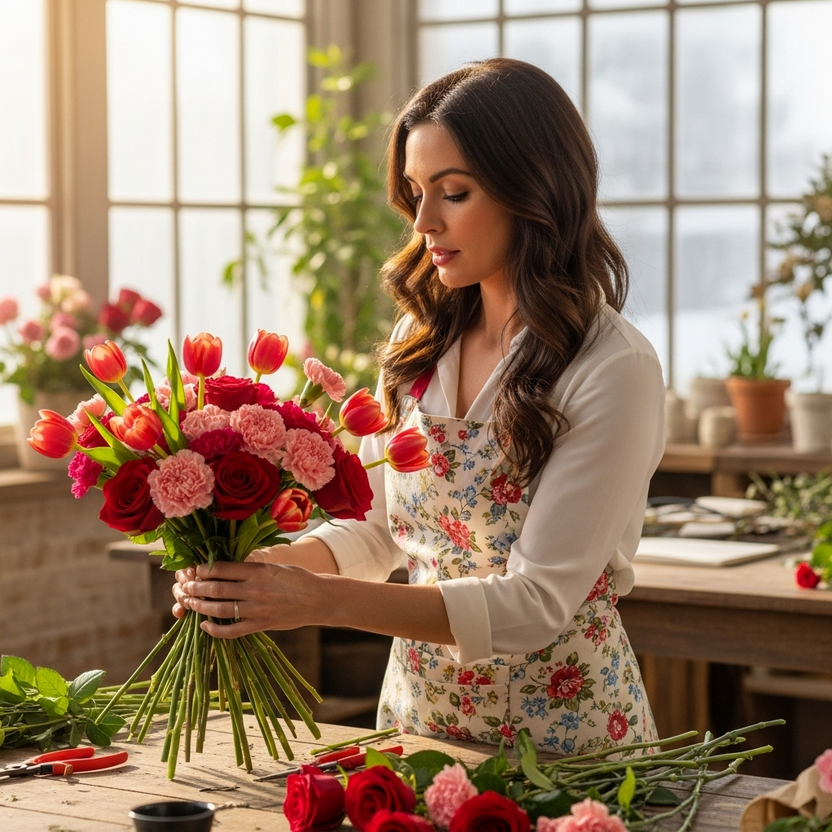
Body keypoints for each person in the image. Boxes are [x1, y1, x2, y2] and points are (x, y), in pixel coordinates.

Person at [174, 57, 665, 756]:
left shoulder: (615, 367)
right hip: (419, 725)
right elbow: (379, 530)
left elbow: (535, 605)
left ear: (536, 188)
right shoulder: (420, 341)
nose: (425, 221)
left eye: (454, 192)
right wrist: (255, 578)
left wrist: (316, 601)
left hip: (566, 746)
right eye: (415, 192)